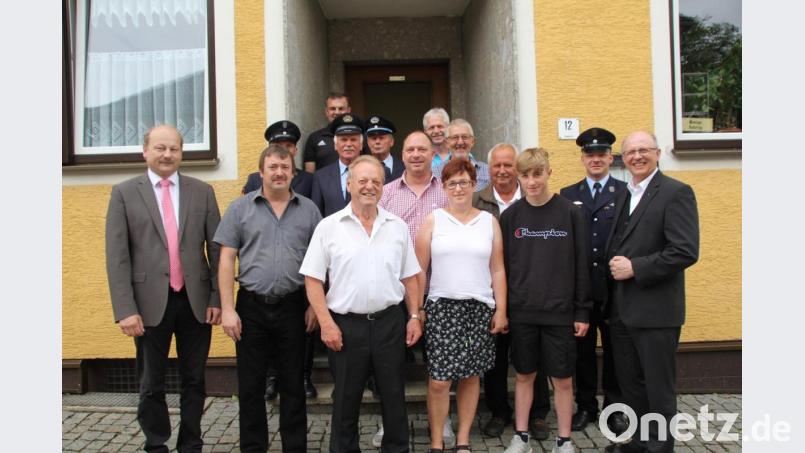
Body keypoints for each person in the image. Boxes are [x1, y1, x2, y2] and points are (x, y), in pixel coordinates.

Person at [105, 124, 221, 453]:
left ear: (182, 153)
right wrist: (125, 309)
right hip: (147, 304)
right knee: (151, 383)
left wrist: (217, 298)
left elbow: (217, 251)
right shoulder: (125, 193)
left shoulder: (202, 191)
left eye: (174, 148)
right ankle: (156, 444)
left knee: (195, 379)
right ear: (146, 151)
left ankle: (191, 443)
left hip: (195, 302)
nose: (167, 154)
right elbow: (117, 257)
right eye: (160, 148)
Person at [300, 155, 423, 453]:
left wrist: (414, 316)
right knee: (345, 398)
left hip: (389, 324)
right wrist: (326, 323)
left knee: (394, 396)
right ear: (349, 183)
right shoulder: (328, 227)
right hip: (345, 326)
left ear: (383, 186)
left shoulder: (397, 227)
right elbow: (313, 280)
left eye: (376, 181)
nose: (370, 187)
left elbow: (410, 277)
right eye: (363, 180)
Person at [215, 144, 322, 453]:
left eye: (284, 167)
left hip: (294, 306)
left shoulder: (309, 210)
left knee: (293, 385)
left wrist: (316, 306)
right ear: (261, 172)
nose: (278, 172)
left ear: (293, 173)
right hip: (251, 307)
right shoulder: (240, 209)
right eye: (272, 167)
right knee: (250, 387)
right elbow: (226, 260)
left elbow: (321, 262)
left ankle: (295, 447)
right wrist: (227, 309)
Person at [603, 132, 699, 453]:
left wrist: (636, 268)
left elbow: (685, 251)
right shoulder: (625, 193)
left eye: (643, 150)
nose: (637, 156)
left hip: (657, 311)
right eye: (630, 152)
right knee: (632, 384)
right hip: (624, 310)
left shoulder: (675, 193)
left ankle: (660, 447)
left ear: (658, 153)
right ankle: (641, 441)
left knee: (658, 388)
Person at [501, 148, 592, 453]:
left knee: (563, 379)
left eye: (537, 174)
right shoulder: (510, 216)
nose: (531, 181)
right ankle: (521, 435)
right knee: (525, 375)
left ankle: (564, 439)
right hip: (523, 312)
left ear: (549, 173)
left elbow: (581, 264)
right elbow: (503, 267)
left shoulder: (569, 212)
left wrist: (582, 311)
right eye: (525, 175)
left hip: (560, 312)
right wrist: (505, 311)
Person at [416, 158, 509, 453]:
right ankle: (435, 442)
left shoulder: (489, 221)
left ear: (474, 185)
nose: (459, 188)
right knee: (440, 381)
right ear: (444, 187)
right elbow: (418, 270)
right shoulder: (434, 220)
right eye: (452, 183)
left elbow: (497, 269)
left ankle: (463, 439)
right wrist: (416, 310)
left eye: (464, 182)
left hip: (479, 308)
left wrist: (501, 309)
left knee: (471, 376)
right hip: (443, 309)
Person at [375, 130, 451, 448]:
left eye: (423, 149)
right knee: (390, 362)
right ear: (402, 155)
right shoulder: (387, 192)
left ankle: (444, 420)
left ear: (432, 153)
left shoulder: (446, 192)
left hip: (441, 287)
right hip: (396, 290)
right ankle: (387, 421)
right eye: (410, 149)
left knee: (440, 361)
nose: (416, 154)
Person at [473, 143, 552, 441]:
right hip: (490, 293)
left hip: (530, 293)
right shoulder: (477, 202)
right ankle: (499, 411)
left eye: (509, 165)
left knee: (534, 356)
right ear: (488, 169)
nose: (503, 171)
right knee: (495, 356)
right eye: (497, 165)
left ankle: (538, 414)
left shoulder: (533, 198)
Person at [241, 120, 318, 402]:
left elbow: (316, 238)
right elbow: (242, 229)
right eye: (277, 149)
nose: (280, 168)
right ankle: (271, 379)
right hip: (257, 291)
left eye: (288, 148)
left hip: (297, 281)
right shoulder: (251, 185)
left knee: (298, 346)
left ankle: (302, 378)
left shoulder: (309, 183)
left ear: (295, 152)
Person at [558, 127, 629, 435]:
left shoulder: (625, 192)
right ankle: (586, 405)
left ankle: (614, 409)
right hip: (582, 289)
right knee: (582, 353)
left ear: (610, 157)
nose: (596, 159)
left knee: (615, 352)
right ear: (582, 158)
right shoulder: (568, 195)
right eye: (590, 154)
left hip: (614, 288)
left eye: (601, 154)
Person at [242, 120, 314, 198]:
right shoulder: (254, 180)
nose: (283, 150)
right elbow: (245, 207)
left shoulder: (309, 180)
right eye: (278, 146)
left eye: (288, 146)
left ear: (295, 150)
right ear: (269, 149)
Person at [310, 114, 365, 217]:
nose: (348, 144)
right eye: (343, 140)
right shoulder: (321, 177)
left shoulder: (374, 173)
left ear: (361, 144)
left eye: (353, 139)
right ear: (335, 145)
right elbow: (316, 215)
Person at [303, 93, 369, 173]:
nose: (337, 112)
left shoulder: (362, 136)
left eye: (341, 108)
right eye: (332, 109)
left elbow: (371, 162)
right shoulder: (314, 138)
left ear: (348, 110)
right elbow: (310, 174)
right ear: (327, 111)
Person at [432, 119, 490, 192]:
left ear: (472, 141)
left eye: (465, 137)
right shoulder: (435, 173)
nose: (460, 142)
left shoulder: (488, 172)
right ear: (447, 143)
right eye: (455, 137)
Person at [366, 114, 404, 182]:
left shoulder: (404, 167)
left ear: (392, 141)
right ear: (368, 143)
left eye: (381, 138)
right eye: (373, 138)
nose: (377, 142)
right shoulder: (361, 167)